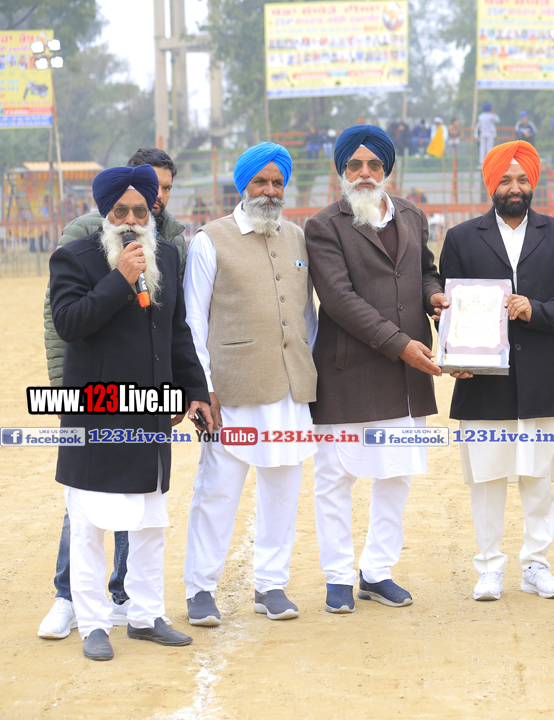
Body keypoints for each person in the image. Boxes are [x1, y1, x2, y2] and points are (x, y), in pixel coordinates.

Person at [49, 164, 212, 660]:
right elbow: (69, 323)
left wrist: (195, 390)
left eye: (140, 211)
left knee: (149, 523)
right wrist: (119, 279)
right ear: (105, 213)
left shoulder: (166, 255)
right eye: (120, 211)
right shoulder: (74, 257)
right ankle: (93, 624)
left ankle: (145, 616)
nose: (131, 220)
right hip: (96, 416)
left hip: (151, 415)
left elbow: (177, 330)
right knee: (90, 527)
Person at [440, 141, 554, 601]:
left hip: (543, 376)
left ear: (533, 183)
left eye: (522, 179)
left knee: (537, 478)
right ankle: (488, 568)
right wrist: (454, 356)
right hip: (483, 379)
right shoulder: (461, 238)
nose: (514, 187)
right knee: (486, 479)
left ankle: (536, 565)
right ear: (492, 184)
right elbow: (446, 305)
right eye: (505, 179)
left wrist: (537, 310)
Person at [304, 124, 447, 613]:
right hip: (349, 370)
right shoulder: (324, 226)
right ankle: (337, 576)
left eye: (374, 165)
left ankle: (377, 570)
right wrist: (401, 344)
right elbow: (339, 299)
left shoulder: (412, 214)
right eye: (355, 165)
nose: (364, 173)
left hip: (406, 372)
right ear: (341, 171)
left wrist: (434, 297)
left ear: (387, 169)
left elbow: (425, 272)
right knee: (335, 477)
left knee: (396, 475)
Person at [182, 142, 319, 625]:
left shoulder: (298, 238)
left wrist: (306, 370)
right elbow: (193, 320)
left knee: (282, 490)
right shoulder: (210, 239)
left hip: (289, 391)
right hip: (231, 391)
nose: (270, 191)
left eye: (277, 182)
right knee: (218, 491)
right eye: (260, 182)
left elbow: (307, 317)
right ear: (243, 186)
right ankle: (200, 589)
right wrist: (201, 387)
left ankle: (271, 585)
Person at [475, 102, 500, 168]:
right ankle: (489, 162)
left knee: (482, 148)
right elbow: (498, 120)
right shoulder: (491, 116)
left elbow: (478, 125)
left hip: (483, 133)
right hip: (489, 134)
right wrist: (494, 113)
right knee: (489, 148)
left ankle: (481, 162)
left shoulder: (480, 116)